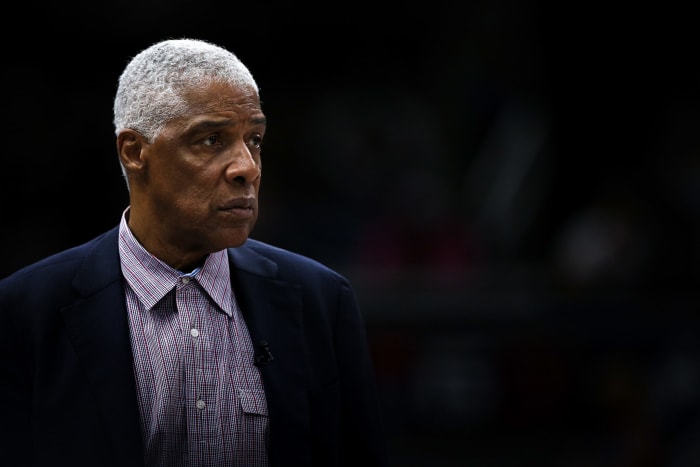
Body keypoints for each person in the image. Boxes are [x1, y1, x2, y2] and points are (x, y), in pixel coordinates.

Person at [0, 38, 388, 467]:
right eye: (210, 140)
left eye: (254, 139)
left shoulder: (320, 299)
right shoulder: (25, 311)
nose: (247, 167)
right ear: (134, 151)